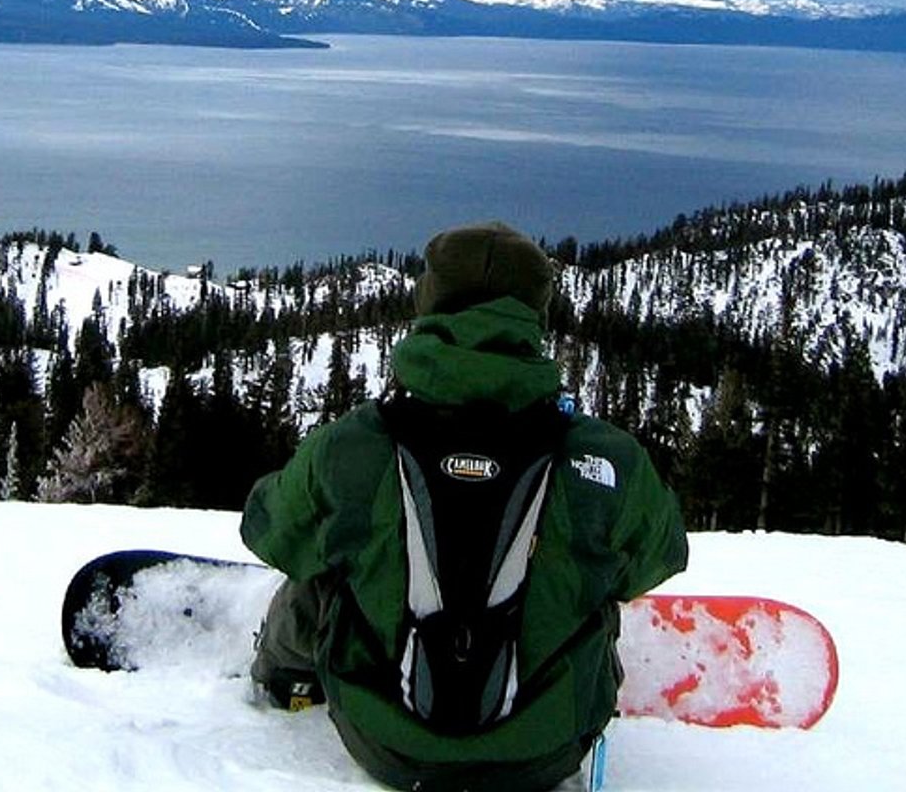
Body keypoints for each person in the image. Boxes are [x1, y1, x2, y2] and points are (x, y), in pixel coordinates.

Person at [241, 221, 687, 792]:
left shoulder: (354, 445)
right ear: (535, 314)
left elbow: (273, 532)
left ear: (429, 303)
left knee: (327, 562)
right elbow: (658, 555)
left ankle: (283, 680)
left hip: (383, 743)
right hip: (545, 754)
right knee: (596, 575)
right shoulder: (605, 458)